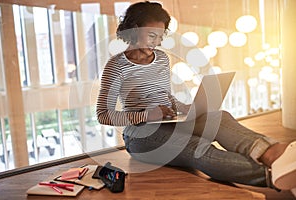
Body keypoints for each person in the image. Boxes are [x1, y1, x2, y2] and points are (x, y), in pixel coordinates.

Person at [96, 1, 296, 194]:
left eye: (160, 36)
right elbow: (103, 115)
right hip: (139, 136)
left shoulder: (162, 59)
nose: (157, 42)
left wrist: (185, 108)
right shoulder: (116, 67)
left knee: (220, 117)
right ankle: (273, 176)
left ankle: (274, 153)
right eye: (151, 35)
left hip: (168, 122)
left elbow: (164, 96)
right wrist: (147, 115)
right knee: (197, 148)